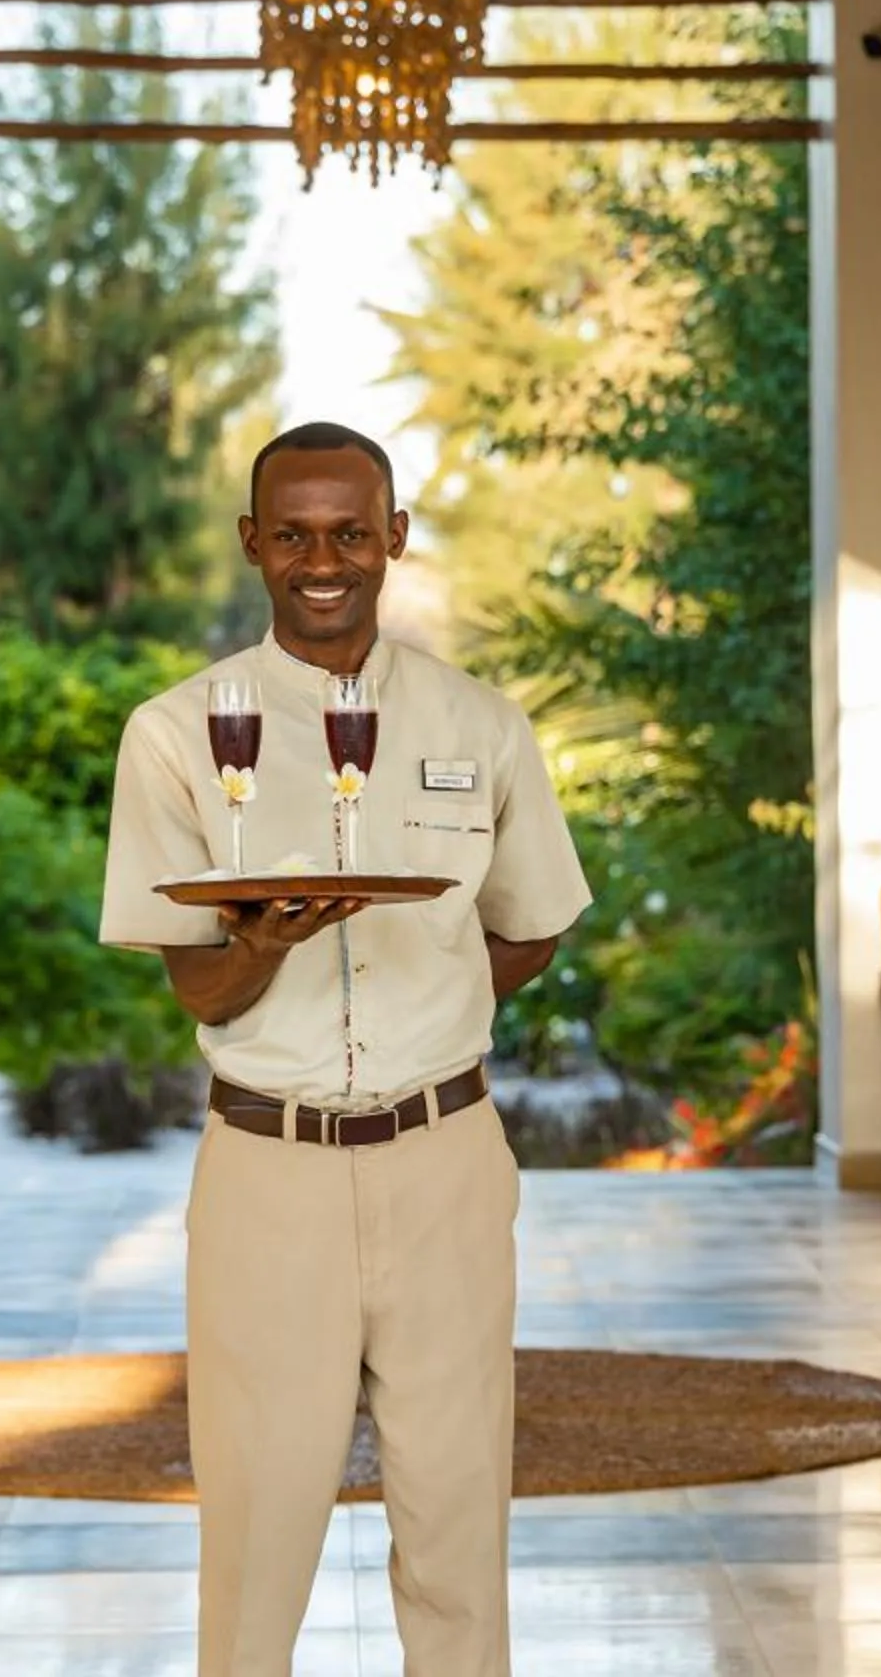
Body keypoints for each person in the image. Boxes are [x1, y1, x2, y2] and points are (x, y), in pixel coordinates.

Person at [99, 421, 592, 1677]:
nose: (324, 560)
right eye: (295, 533)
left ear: (394, 538)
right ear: (252, 542)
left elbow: (532, 926)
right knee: (257, 1528)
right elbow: (199, 982)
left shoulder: (481, 723)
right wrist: (264, 946)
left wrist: (439, 997)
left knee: (458, 1517)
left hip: (445, 1158)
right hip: (269, 1168)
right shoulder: (177, 732)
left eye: (351, 532)